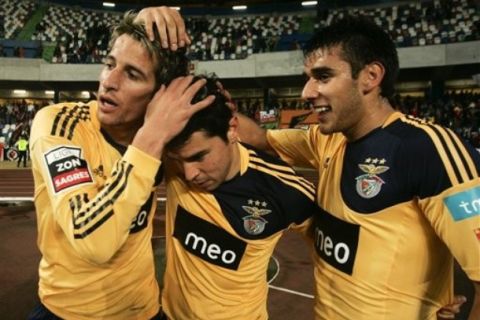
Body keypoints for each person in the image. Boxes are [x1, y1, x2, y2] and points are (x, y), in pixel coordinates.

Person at [235, 15, 480, 320]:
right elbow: (258, 138)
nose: (307, 92)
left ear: (371, 76)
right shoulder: (325, 140)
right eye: (308, 78)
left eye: (323, 77)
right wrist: (219, 108)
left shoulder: (428, 148)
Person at [27, 8, 209, 320]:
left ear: (159, 97)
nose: (109, 82)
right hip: (68, 312)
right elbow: (92, 241)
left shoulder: (164, 135)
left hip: (144, 309)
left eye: (132, 74)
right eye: (110, 64)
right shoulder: (60, 124)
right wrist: (151, 137)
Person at [159, 75, 317, 319]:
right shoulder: (172, 162)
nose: (189, 174)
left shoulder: (283, 189)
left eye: (199, 157)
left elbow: (338, 255)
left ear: (232, 129)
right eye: (177, 160)